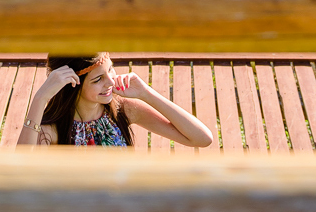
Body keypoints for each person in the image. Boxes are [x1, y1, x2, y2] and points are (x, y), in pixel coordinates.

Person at [17, 53, 214, 148]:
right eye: (98, 79)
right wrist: (41, 98)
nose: (111, 81)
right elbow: (18, 178)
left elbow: (202, 138)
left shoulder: (122, 110)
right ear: (72, 84)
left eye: (110, 69)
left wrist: (146, 93)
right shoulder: (51, 129)